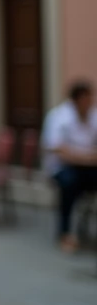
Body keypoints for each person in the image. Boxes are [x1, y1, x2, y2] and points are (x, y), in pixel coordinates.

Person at [42, 80, 97, 253]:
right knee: (69, 183)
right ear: (76, 100)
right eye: (86, 98)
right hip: (62, 168)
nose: (90, 102)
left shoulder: (94, 116)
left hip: (88, 168)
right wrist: (86, 157)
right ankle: (65, 232)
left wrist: (82, 156)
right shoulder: (59, 117)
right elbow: (58, 149)